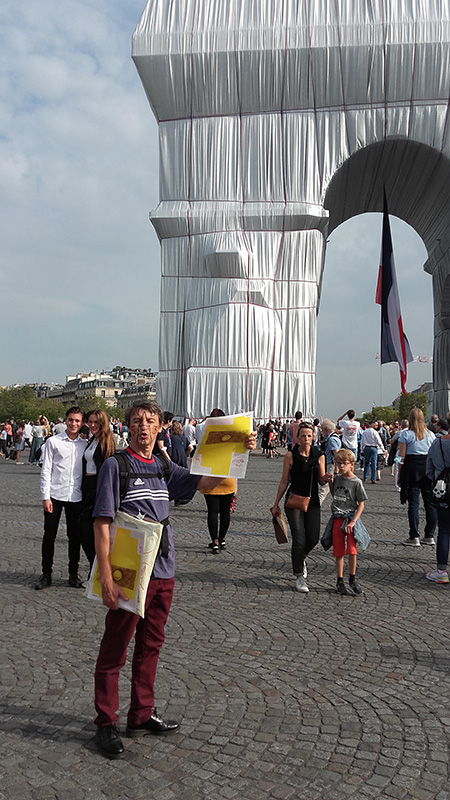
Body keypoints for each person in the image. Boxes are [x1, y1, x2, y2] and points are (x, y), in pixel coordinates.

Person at [92, 401, 256, 759]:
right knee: (115, 648)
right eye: (137, 421)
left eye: (150, 421)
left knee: (151, 645)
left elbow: (207, 481)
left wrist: (237, 451)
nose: (144, 427)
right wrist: (105, 576)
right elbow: (102, 522)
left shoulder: (164, 465)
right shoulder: (115, 466)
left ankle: (140, 714)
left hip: (164, 569)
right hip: (129, 571)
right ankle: (105, 722)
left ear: (159, 427)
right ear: (128, 427)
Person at [271, 421, 326, 593]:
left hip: (313, 500)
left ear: (313, 437)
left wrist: (327, 479)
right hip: (294, 500)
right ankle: (299, 575)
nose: (306, 439)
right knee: (299, 538)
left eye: (309, 436)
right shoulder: (290, 455)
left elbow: (321, 479)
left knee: (313, 538)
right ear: (297, 437)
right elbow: (284, 480)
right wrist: (276, 503)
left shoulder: (319, 455)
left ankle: (301, 557)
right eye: (303, 436)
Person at [35, 406, 86, 590]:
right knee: (49, 536)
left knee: (75, 537)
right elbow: (46, 469)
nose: (73, 423)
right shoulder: (53, 442)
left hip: (76, 496)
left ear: (82, 423)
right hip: (55, 494)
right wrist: (45, 496)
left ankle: (73, 574)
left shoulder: (84, 444)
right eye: (71, 420)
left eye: (77, 421)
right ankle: (46, 574)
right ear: (66, 420)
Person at [321, 449, 369, 595]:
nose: (341, 466)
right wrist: (330, 483)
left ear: (351, 464)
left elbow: (361, 504)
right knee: (339, 551)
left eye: (344, 463)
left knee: (352, 550)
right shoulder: (338, 479)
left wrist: (353, 521)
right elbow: (336, 495)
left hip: (349, 519)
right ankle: (339, 580)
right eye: (339, 463)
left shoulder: (356, 482)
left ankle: (352, 578)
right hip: (337, 518)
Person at [197, 408, 236, 552]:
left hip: (210, 476)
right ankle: (222, 539)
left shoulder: (205, 435)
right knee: (225, 512)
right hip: (227, 477)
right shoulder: (231, 438)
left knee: (212, 512)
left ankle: (214, 541)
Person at [81, 409, 115, 568]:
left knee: (90, 530)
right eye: (90, 422)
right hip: (86, 485)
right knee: (84, 530)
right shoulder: (92, 440)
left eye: (96, 422)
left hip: (97, 487)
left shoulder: (106, 442)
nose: (93, 425)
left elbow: (107, 469)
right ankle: (94, 567)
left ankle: (97, 568)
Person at [398, 407, 437, 546]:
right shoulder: (431, 435)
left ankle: (414, 535)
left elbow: (401, 457)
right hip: (427, 469)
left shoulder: (406, 435)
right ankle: (430, 535)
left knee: (413, 504)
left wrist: (399, 473)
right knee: (430, 503)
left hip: (411, 469)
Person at [426, 432, 450, 583]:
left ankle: (441, 570)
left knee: (444, 530)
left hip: (443, 489)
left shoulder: (438, 443)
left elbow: (429, 469)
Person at [318, 419, 341, 504]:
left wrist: (336, 469)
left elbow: (336, 454)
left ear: (326, 429)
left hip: (331, 465)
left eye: (322, 429)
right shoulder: (333, 438)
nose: (322, 431)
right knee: (331, 488)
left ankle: (317, 504)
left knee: (324, 488)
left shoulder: (332, 440)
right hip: (331, 464)